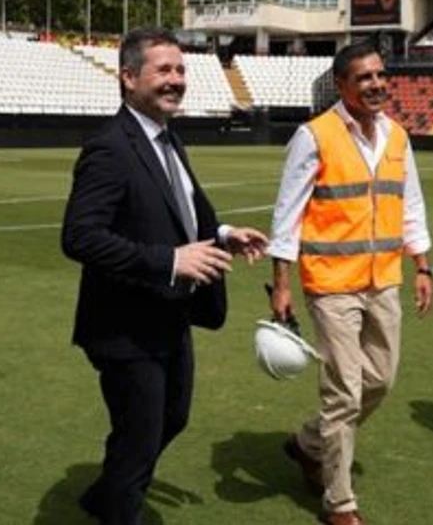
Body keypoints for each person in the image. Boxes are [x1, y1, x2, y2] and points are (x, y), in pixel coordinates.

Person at [61, 27, 268, 524]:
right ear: (129, 77)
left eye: (180, 70)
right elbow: (79, 237)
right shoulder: (110, 147)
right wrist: (169, 261)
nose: (176, 80)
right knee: (138, 442)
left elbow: (186, 207)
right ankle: (117, 504)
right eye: (164, 70)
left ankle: (103, 494)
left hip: (169, 317)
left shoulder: (167, 136)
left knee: (171, 419)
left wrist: (222, 232)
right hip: (124, 326)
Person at [267, 43, 433, 525]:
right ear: (341, 85)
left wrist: (422, 265)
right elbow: (288, 213)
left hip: (384, 278)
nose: (377, 84)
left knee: (380, 380)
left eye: (380, 75)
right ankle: (339, 503)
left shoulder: (398, 136)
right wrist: (281, 284)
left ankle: (308, 443)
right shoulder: (313, 135)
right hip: (331, 282)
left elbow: (410, 204)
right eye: (364, 78)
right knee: (344, 391)